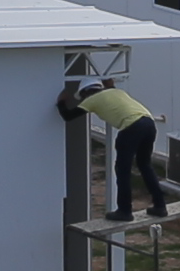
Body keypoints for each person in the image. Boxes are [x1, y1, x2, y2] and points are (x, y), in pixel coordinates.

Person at [64, 75, 171, 222]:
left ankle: (125, 211)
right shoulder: (117, 92)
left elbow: (68, 116)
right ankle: (160, 206)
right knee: (145, 165)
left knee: (123, 171)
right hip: (149, 123)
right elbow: (111, 89)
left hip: (130, 127)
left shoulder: (92, 99)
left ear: (85, 92)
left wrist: (60, 102)